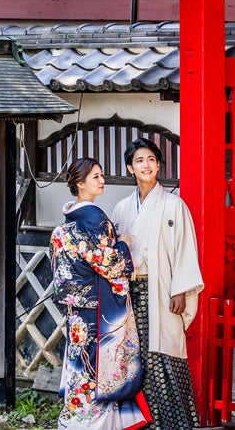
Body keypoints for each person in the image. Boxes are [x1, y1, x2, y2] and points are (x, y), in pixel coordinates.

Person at [110, 138, 204, 430]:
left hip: (162, 291)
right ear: (130, 167)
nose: (146, 165)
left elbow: (185, 248)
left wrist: (181, 290)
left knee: (165, 354)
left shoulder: (174, 205)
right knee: (134, 357)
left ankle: (176, 423)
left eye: (151, 159)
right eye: (139, 161)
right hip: (130, 293)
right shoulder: (122, 208)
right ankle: (141, 422)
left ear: (159, 165)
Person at [50, 157, 151, 430]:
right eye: (95, 176)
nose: (102, 180)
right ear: (80, 184)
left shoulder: (65, 225)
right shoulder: (94, 219)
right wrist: (124, 246)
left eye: (101, 174)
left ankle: (74, 420)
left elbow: (62, 275)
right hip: (97, 309)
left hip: (77, 311)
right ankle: (94, 424)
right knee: (100, 366)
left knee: (80, 363)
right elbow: (109, 264)